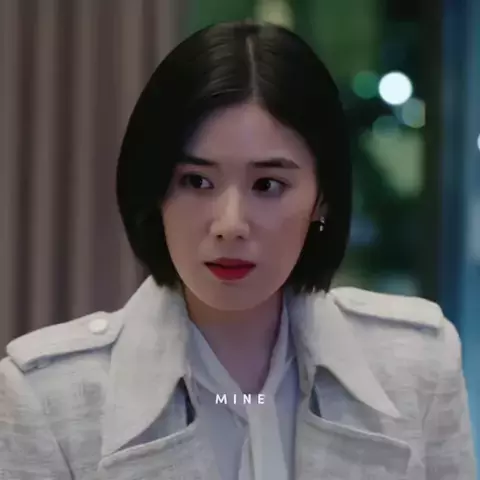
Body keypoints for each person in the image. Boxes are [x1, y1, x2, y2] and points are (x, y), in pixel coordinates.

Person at [0, 21, 476, 480]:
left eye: (267, 185)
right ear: (154, 192)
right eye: (196, 181)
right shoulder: (49, 399)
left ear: (322, 199)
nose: (230, 225)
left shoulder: (418, 366)